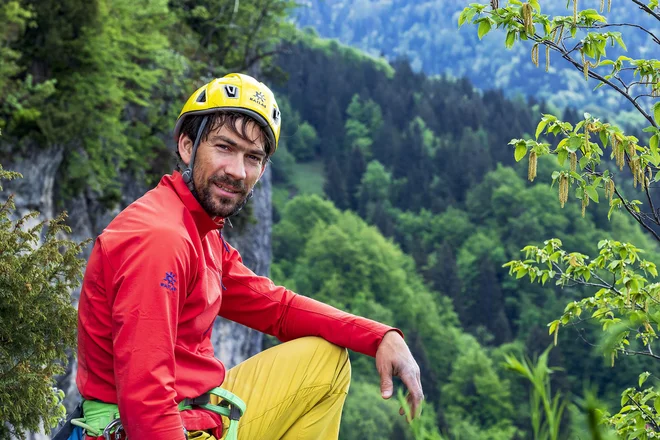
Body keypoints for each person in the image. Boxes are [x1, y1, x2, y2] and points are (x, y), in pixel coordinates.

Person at [75, 73, 423, 440]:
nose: (237, 171)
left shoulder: (198, 229)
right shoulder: (162, 239)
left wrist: (379, 337)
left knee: (326, 361)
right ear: (186, 146)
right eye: (224, 147)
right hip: (143, 427)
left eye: (253, 157)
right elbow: (145, 403)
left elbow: (278, 307)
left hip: (193, 411)